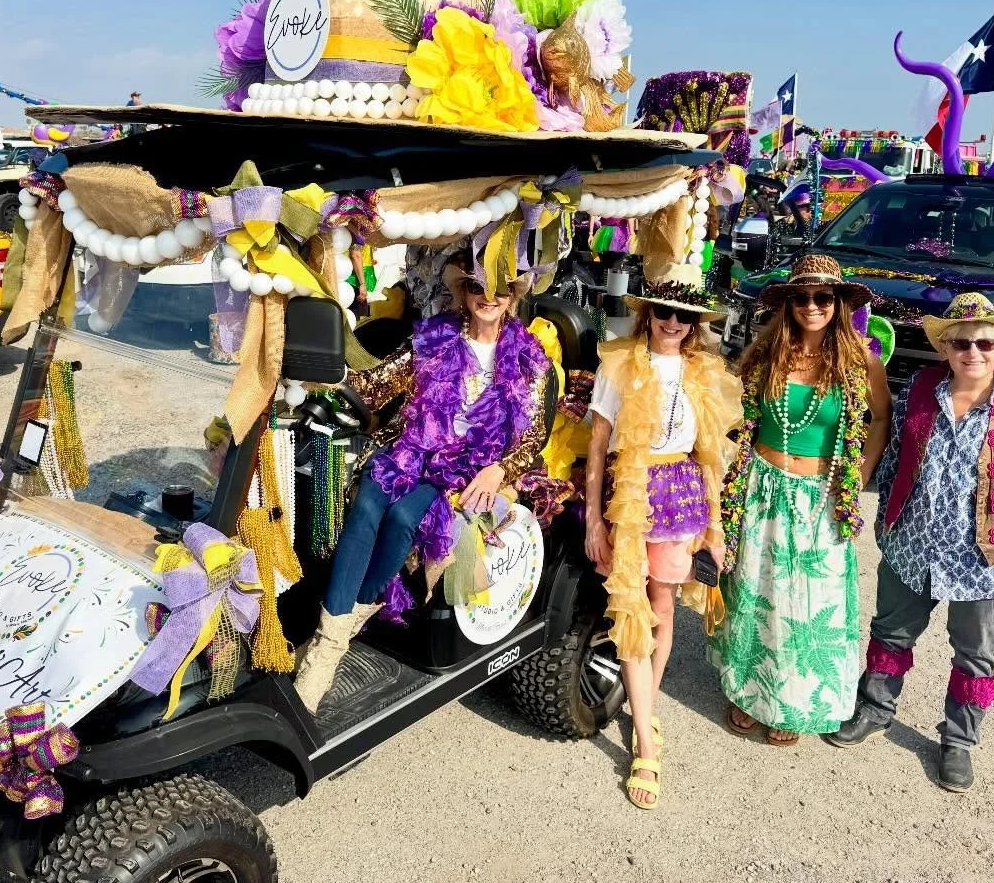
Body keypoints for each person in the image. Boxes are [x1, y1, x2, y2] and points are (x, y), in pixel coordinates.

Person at [825, 293, 994, 793]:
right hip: (911, 548)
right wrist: (884, 521)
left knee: (975, 656)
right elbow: (896, 455)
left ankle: (959, 742)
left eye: (985, 342)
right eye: (961, 342)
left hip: (987, 560)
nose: (972, 352)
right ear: (946, 349)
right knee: (891, 633)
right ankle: (875, 708)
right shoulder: (920, 390)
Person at [293, 260, 551, 711]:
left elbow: (533, 436)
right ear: (464, 291)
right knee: (368, 504)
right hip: (411, 447)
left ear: (514, 296)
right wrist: (311, 376)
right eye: (477, 286)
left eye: (501, 290)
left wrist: (500, 470)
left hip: (468, 467)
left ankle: (338, 633)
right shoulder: (433, 337)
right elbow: (373, 386)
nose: (488, 298)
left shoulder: (530, 359)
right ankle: (327, 652)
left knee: (403, 515)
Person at [714, 254, 891, 745]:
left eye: (822, 297)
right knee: (757, 592)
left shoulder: (860, 363)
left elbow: (880, 419)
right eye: (801, 297)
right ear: (788, 303)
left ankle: (790, 703)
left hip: (822, 496)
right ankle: (749, 690)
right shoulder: (764, 355)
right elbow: (730, 415)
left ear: (837, 304)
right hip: (763, 489)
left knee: (808, 603)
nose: (812, 306)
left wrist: (858, 477)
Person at [584, 263, 741, 809]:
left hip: (682, 498)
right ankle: (647, 741)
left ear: (694, 324)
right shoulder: (620, 363)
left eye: (685, 315)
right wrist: (593, 520)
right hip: (630, 494)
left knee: (664, 610)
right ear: (649, 315)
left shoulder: (703, 372)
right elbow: (599, 446)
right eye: (665, 312)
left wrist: (717, 529)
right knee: (629, 612)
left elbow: (712, 458)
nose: (673, 322)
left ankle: (642, 709)